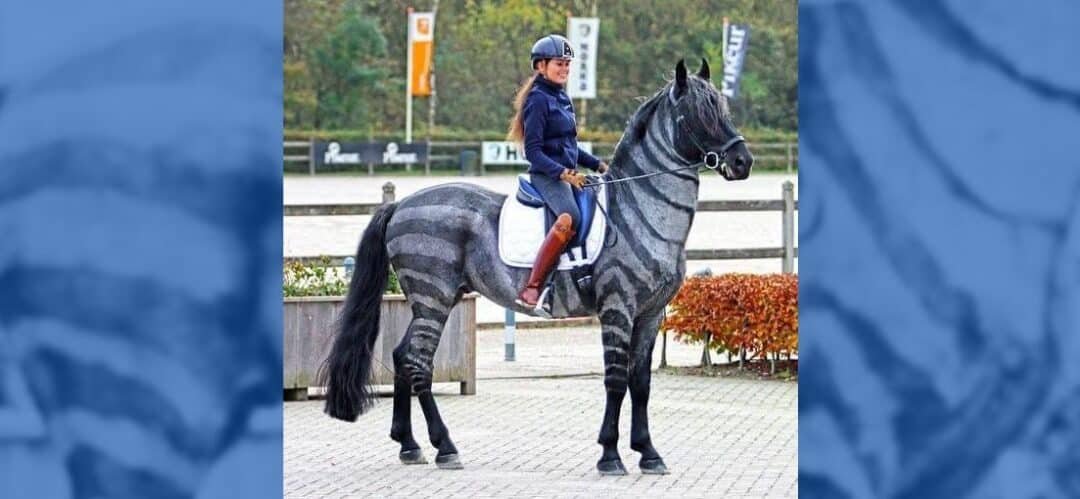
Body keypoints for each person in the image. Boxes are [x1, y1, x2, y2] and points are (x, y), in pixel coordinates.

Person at [507, 34, 609, 309]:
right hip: (546, 176)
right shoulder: (538, 100)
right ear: (541, 66)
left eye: (567, 64)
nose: (564, 69)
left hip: (568, 173)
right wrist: (564, 174)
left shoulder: (562, 97)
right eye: (558, 64)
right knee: (570, 217)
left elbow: (570, 146)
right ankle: (533, 287)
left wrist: (600, 165)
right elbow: (534, 152)